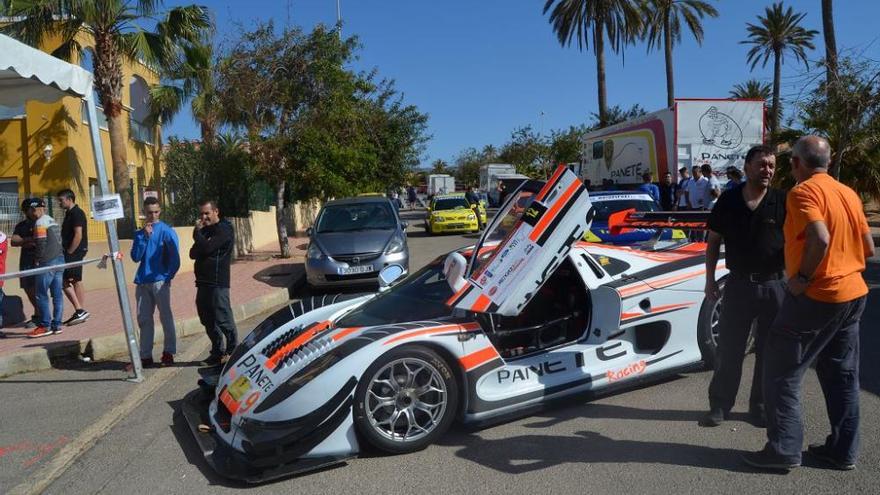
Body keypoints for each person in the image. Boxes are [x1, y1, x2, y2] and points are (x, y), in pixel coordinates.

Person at [743, 136, 874, 471]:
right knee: (842, 374)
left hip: (818, 295)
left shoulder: (803, 193)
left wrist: (801, 276)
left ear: (797, 164)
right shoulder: (847, 193)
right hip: (853, 293)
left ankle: (784, 449)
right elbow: (868, 248)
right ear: (828, 162)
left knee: (780, 370)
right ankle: (843, 451)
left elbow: (820, 236)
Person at [700, 145, 786, 428]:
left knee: (769, 351)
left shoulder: (782, 201)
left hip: (774, 286)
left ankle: (759, 406)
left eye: (771, 166)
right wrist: (710, 280)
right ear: (747, 167)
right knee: (729, 348)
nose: (767, 170)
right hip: (737, 286)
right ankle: (720, 405)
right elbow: (713, 242)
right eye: (762, 164)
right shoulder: (728, 200)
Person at [131, 197, 180, 367]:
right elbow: (135, 256)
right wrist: (144, 237)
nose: (153, 215)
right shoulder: (140, 233)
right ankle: (145, 355)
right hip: (143, 281)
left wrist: (167, 277)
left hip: (160, 281)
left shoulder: (167, 231)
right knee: (144, 319)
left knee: (165, 316)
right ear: (144, 212)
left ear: (160, 211)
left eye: (156, 212)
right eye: (149, 212)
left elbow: (175, 257)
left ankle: (168, 352)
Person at [190, 199, 237, 366]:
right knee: (207, 319)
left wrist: (197, 234)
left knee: (223, 318)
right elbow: (193, 253)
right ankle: (217, 351)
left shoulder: (224, 229)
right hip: (203, 282)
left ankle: (232, 351)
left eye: (207, 213)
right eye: (201, 214)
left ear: (216, 211)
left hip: (218, 282)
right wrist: (202, 240)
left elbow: (207, 249)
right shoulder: (206, 231)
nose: (203, 217)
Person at [28, 198, 65, 338]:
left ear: (35, 209)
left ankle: (45, 325)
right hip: (60, 260)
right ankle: (57, 325)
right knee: (57, 295)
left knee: (41, 294)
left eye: (32, 210)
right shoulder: (52, 220)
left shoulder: (40, 223)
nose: (32, 212)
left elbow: (41, 244)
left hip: (47, 262)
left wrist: (37, 260)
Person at [57, 189, 90, 325]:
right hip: (71, 251)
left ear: (69, 199)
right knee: (73, 279)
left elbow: (78, 234)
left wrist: (70, 252)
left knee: (68, 280)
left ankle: (80, 311)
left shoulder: (77, 213)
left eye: (61, 200)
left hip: (74, 252)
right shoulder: (69, 214)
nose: (60, 203)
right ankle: (80, 310)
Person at [11, 199, 39, 328]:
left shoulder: (42, 222)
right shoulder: (22, 225)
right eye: (30, 209)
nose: (33, 211)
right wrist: (27, 239)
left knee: (39, 288)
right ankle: (38, 314)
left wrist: (27, 241)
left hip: (39, 259)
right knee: (28, 288)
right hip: (26, 260)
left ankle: (41, 316)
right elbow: (14, 240)